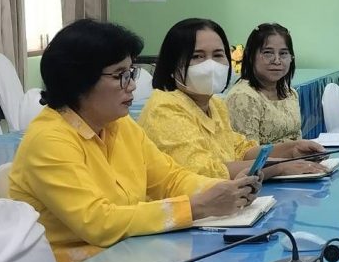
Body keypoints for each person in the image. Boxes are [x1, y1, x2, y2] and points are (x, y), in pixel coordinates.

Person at [9, 19, 259, 262]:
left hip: (128, 256)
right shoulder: (49, 140)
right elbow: (98, 222)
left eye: (131, 73)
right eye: (120, 75)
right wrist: (198, 206)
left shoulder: (119, 124)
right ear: (79, 79)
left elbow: (170, 179)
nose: (132, 85)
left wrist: (227, 190)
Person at [138, 18, 326, 180]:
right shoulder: (164, 108)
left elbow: (241, 151)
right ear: (172, 65)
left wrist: (292, 150)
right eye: (197, 56)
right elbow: (202, 172)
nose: (210, 65)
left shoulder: (214, 104)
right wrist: (279, 168)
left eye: (218, 55)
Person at [225, 23, 303, 145]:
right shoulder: (243, 97)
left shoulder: (290, 93)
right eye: (268, 53)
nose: (277, 61)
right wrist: (292, 153)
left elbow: (297, 139)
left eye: (283, 53)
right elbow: (246, 153)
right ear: (251, 56)